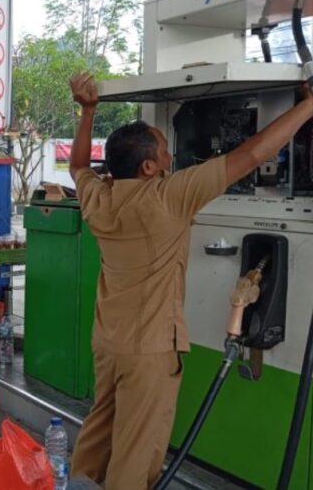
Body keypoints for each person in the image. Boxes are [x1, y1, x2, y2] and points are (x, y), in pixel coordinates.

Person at [67, 73, 313, 489]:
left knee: (99, 432)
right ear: (148, 168)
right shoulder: (168, 196)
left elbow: (77, 166)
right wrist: (308, 106)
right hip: (149, 349)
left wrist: (87, 112)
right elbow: (253, 154)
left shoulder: (97, 197)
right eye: (164, 150)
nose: (171, 155)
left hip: (108, 342)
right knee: (136, 451)